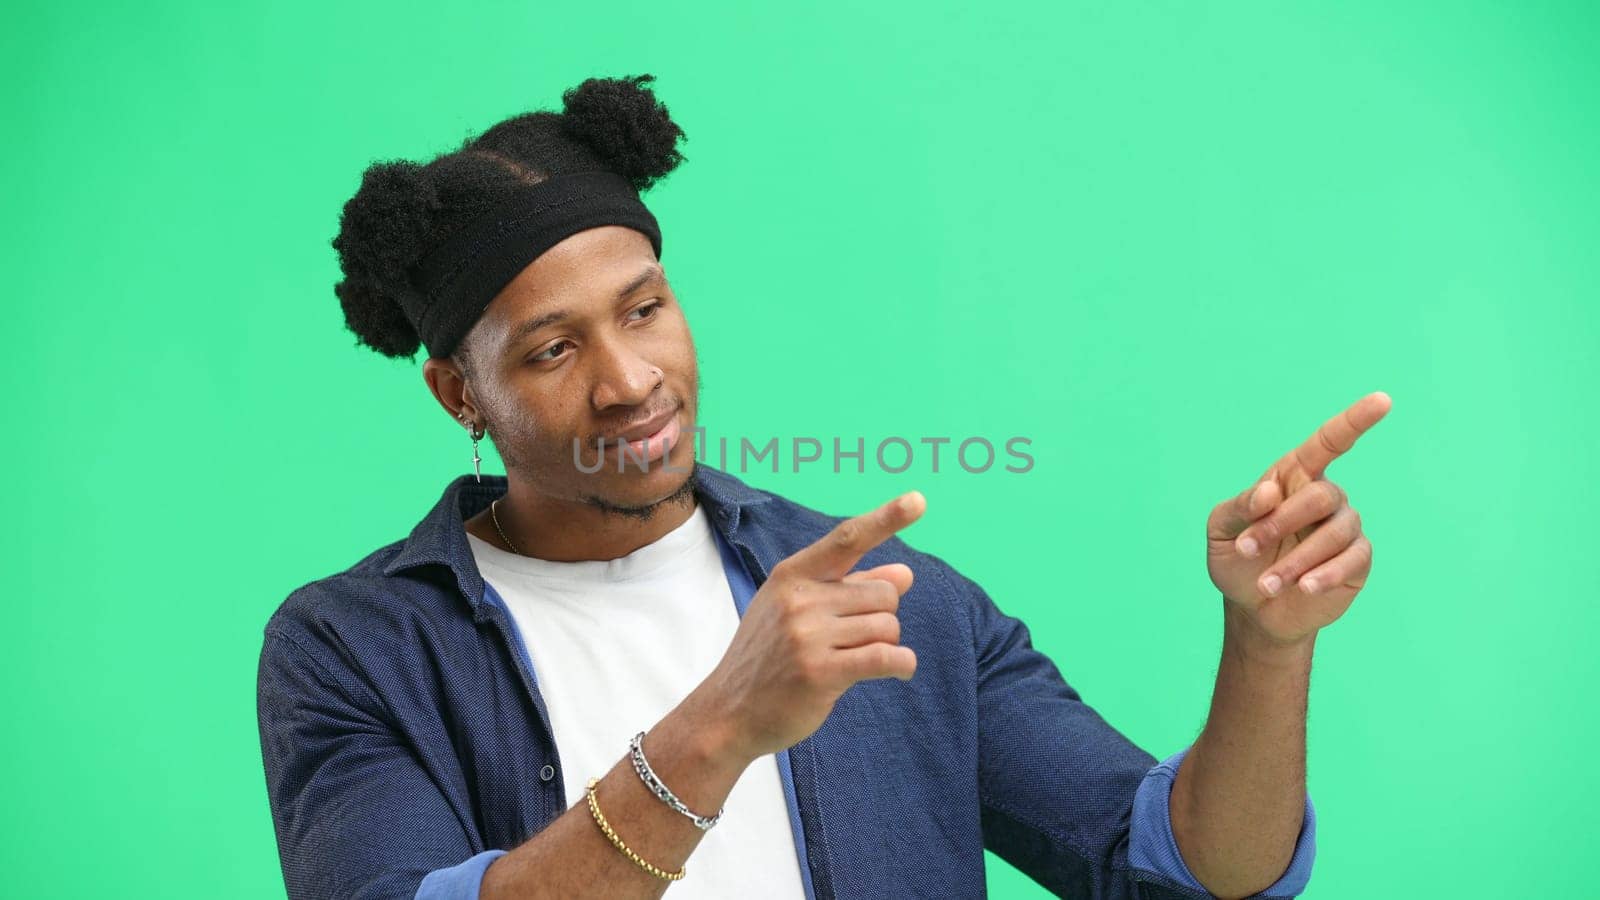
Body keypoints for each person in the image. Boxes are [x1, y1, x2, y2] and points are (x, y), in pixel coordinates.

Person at [258, 73, 1384, 900]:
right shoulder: (355, 649)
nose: (630, 380)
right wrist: (724, 720)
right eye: (553, 351)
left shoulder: (894, 603)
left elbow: (1192, 870)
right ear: (461, 395)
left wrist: (1268, 644)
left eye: (644, 309)